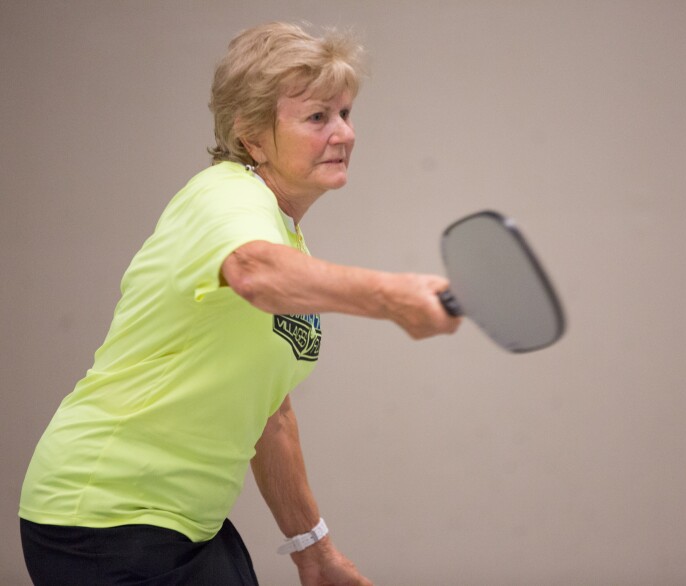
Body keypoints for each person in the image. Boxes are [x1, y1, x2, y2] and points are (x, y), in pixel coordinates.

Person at [19, 21, 459, 585]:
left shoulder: (285, 234)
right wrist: (392, 295)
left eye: (346, 113)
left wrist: (313, 549)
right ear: (252, 137)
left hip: (189, 523)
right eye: (317, 117)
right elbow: (253, 271)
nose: (343, 133)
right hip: (103, 520)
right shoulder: (224, 195)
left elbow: (268, 414)